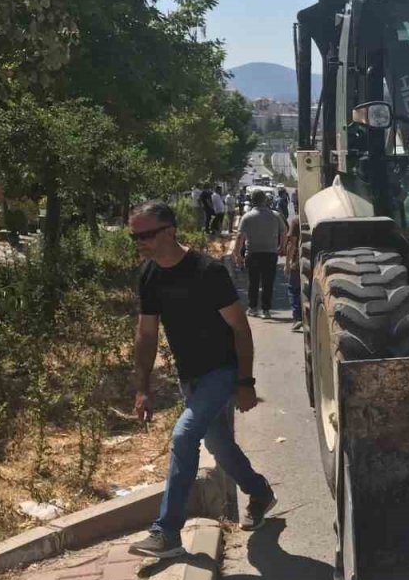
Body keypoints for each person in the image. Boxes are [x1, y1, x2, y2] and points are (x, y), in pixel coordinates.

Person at [128, 201, 276, 558]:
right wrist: (142, 388)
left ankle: (167, 533)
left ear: (169, 231)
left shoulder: (207, 271)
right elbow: (146, 335)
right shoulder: (149, 275)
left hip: (222, 372)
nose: (140, 243)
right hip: (190, 376)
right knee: (220, 447)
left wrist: (245, 381)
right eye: (135, 237)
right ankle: (260, 492)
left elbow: (240, 328)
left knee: (183, 436)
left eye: (146, 235)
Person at [233, 190, 286, 319]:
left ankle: (252, 308)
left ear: (252, 200)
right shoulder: (276, 215)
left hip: (253, 253)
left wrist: (237, 254)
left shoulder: (247, 217)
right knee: (268, 282)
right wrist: (281, 247)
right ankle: (266, 310)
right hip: (270, 253)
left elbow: (240, 237)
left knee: (253, 281)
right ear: (265, 200)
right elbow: (284, 232)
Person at [283, 213, 302, 332]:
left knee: (294, 290)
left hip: (298, 262)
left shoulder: (296, 221)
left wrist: (287, 263)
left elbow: (292, 244)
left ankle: (297, 318)